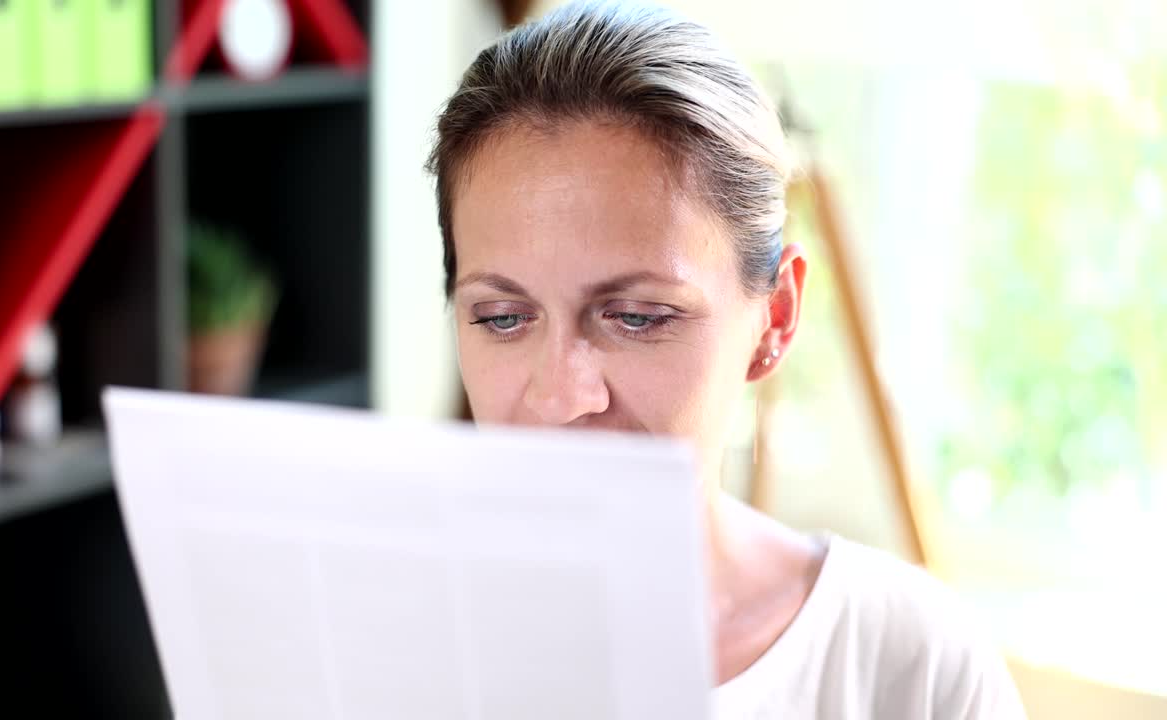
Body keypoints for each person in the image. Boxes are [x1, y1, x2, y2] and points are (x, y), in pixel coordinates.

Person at [426, 1, 1028, 717]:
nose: (560, 395)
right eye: (502, 318)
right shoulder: (368, 637)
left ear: (775, 317)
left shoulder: (907, 664)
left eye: (636, 317)